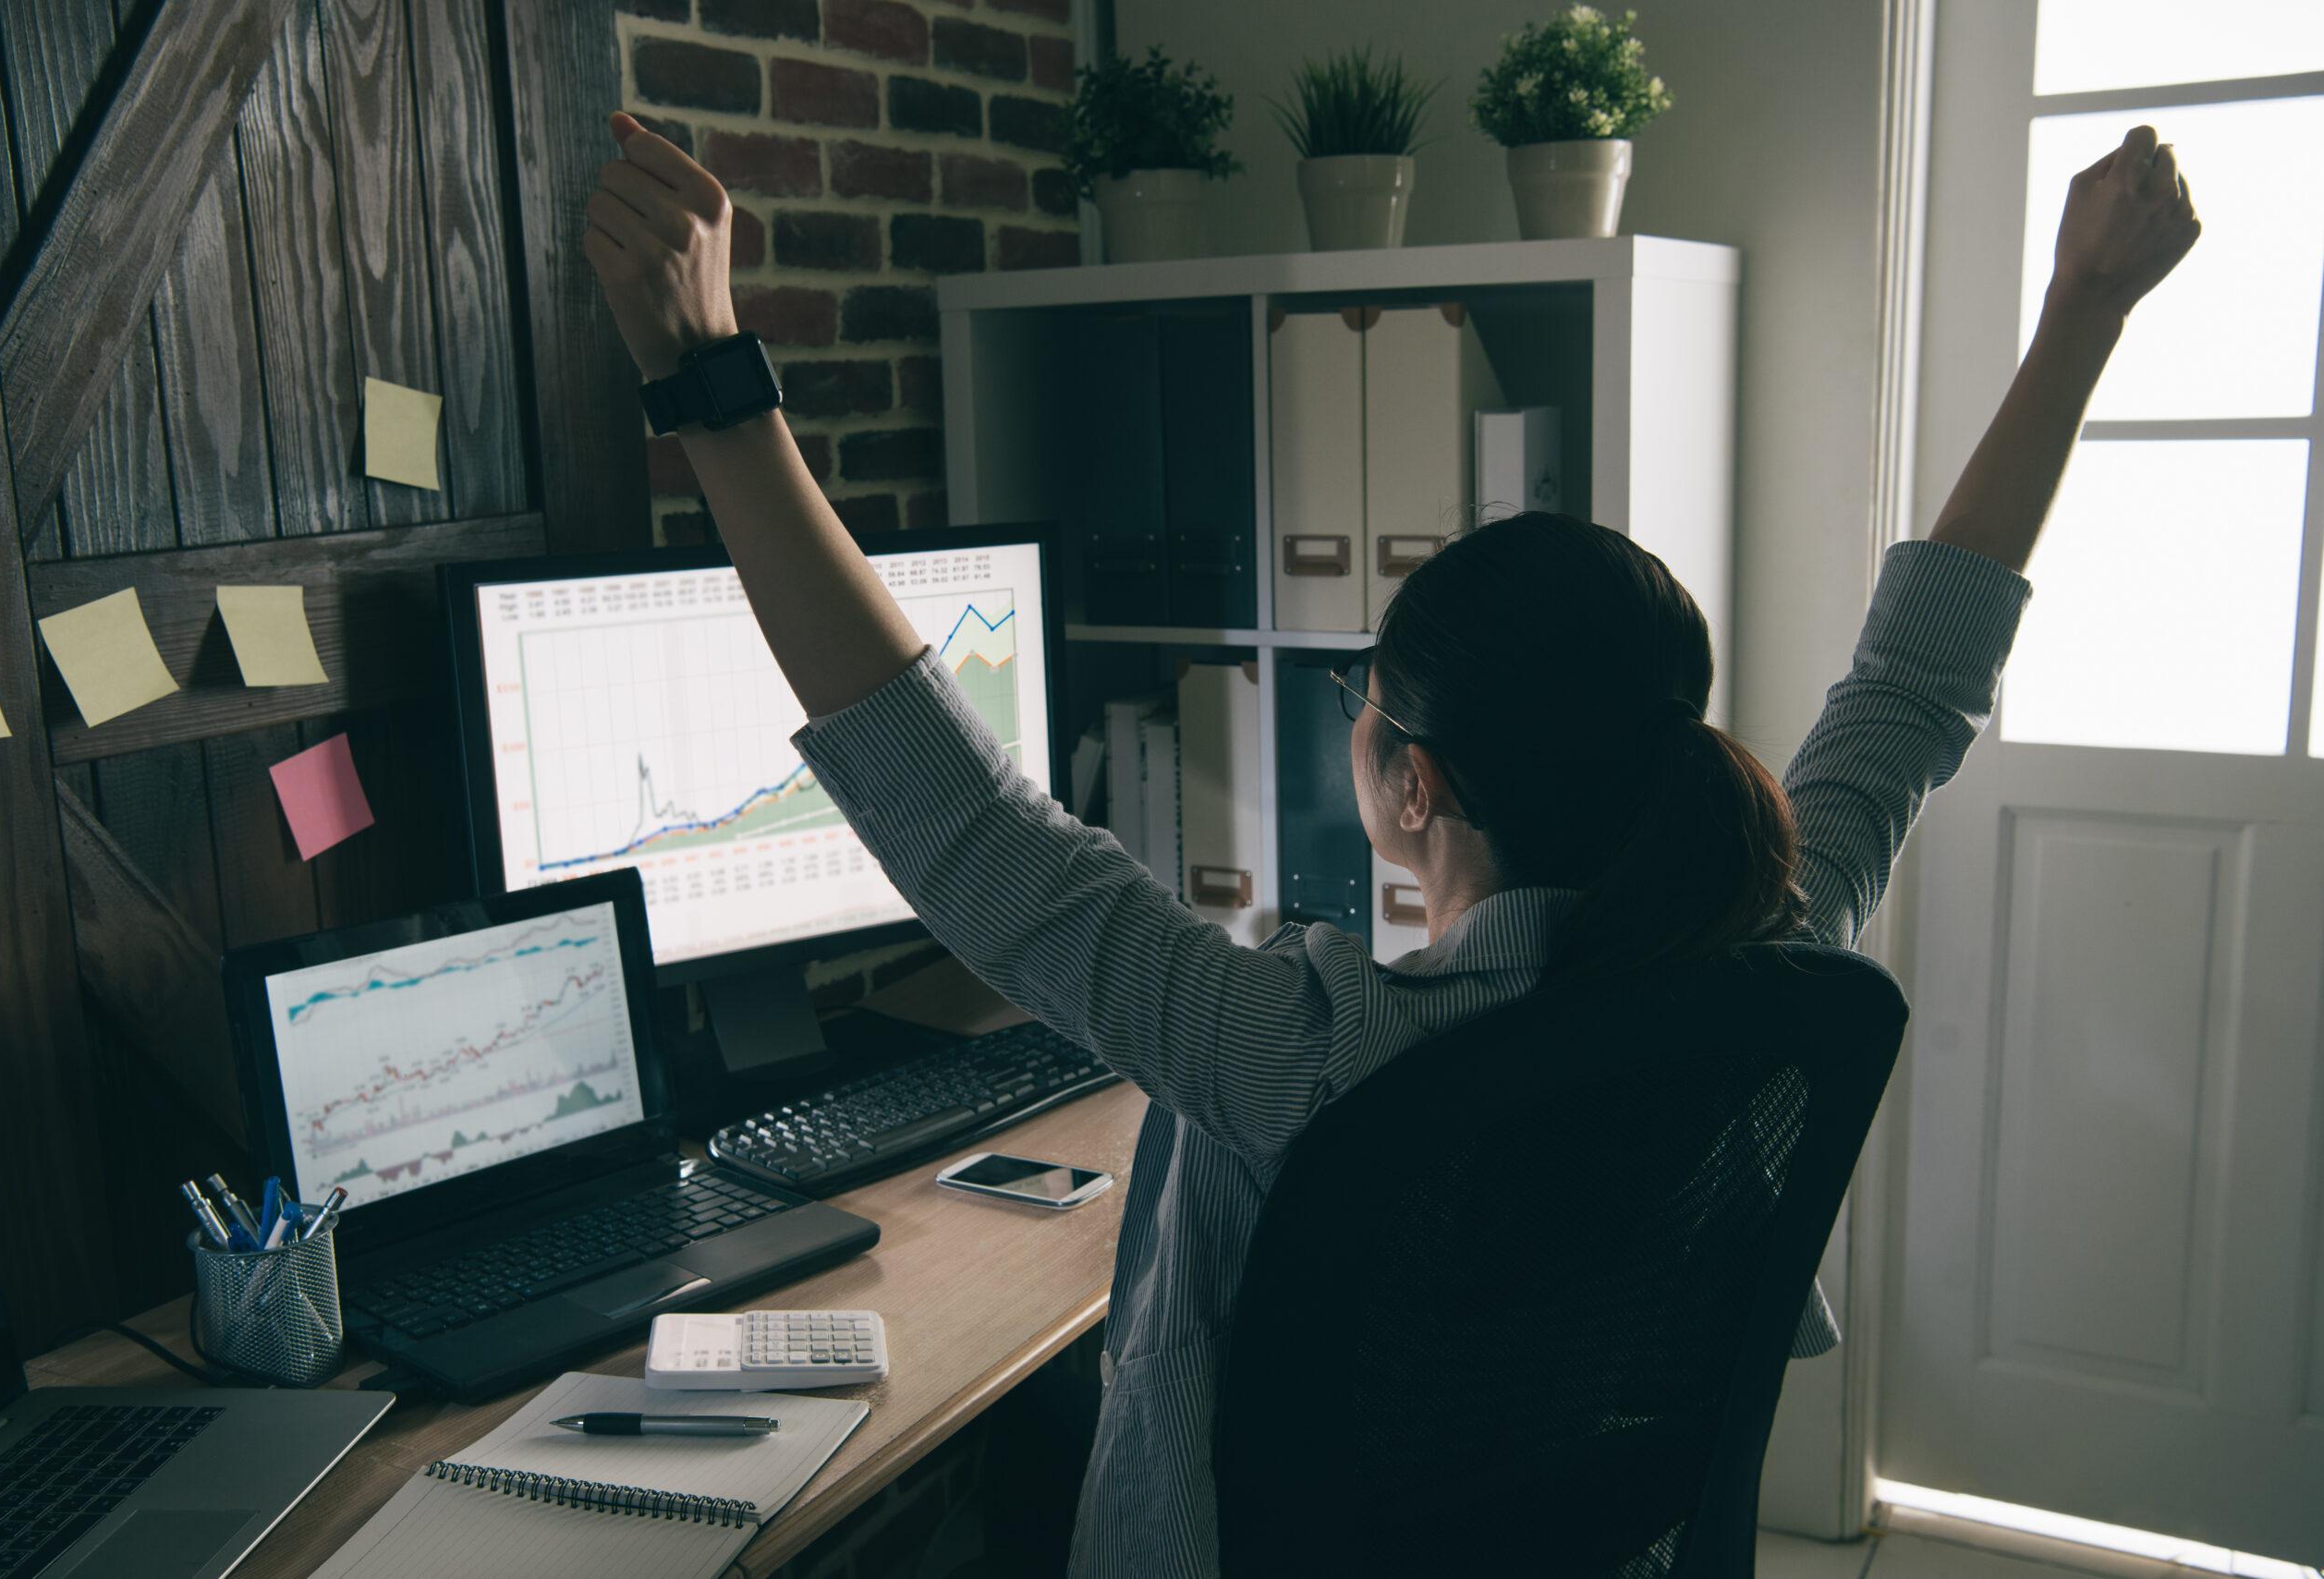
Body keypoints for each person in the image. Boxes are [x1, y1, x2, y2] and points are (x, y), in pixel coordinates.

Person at [581, 115, 2198, 1577]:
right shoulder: (1770, 939)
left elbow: (959, 819)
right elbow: (1916, 684)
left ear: (1412, 787)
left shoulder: (1298, 1049)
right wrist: (2081, 311)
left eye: (1362, 700)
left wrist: (710, 381)